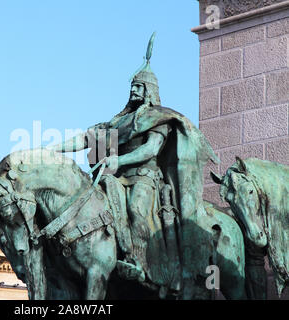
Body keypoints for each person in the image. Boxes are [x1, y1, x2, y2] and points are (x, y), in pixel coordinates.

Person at [51, 33, 219, 297]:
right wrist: (51, 149)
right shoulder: (117, 123)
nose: (134, 90)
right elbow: (86, 138)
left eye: (139, 87)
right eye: (132, 86)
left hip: (145, 178)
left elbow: (151, 149)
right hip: (115, 177)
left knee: (135, 210)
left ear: (150, 91)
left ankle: (140, 262)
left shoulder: (157, 117)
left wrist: (121, 159)